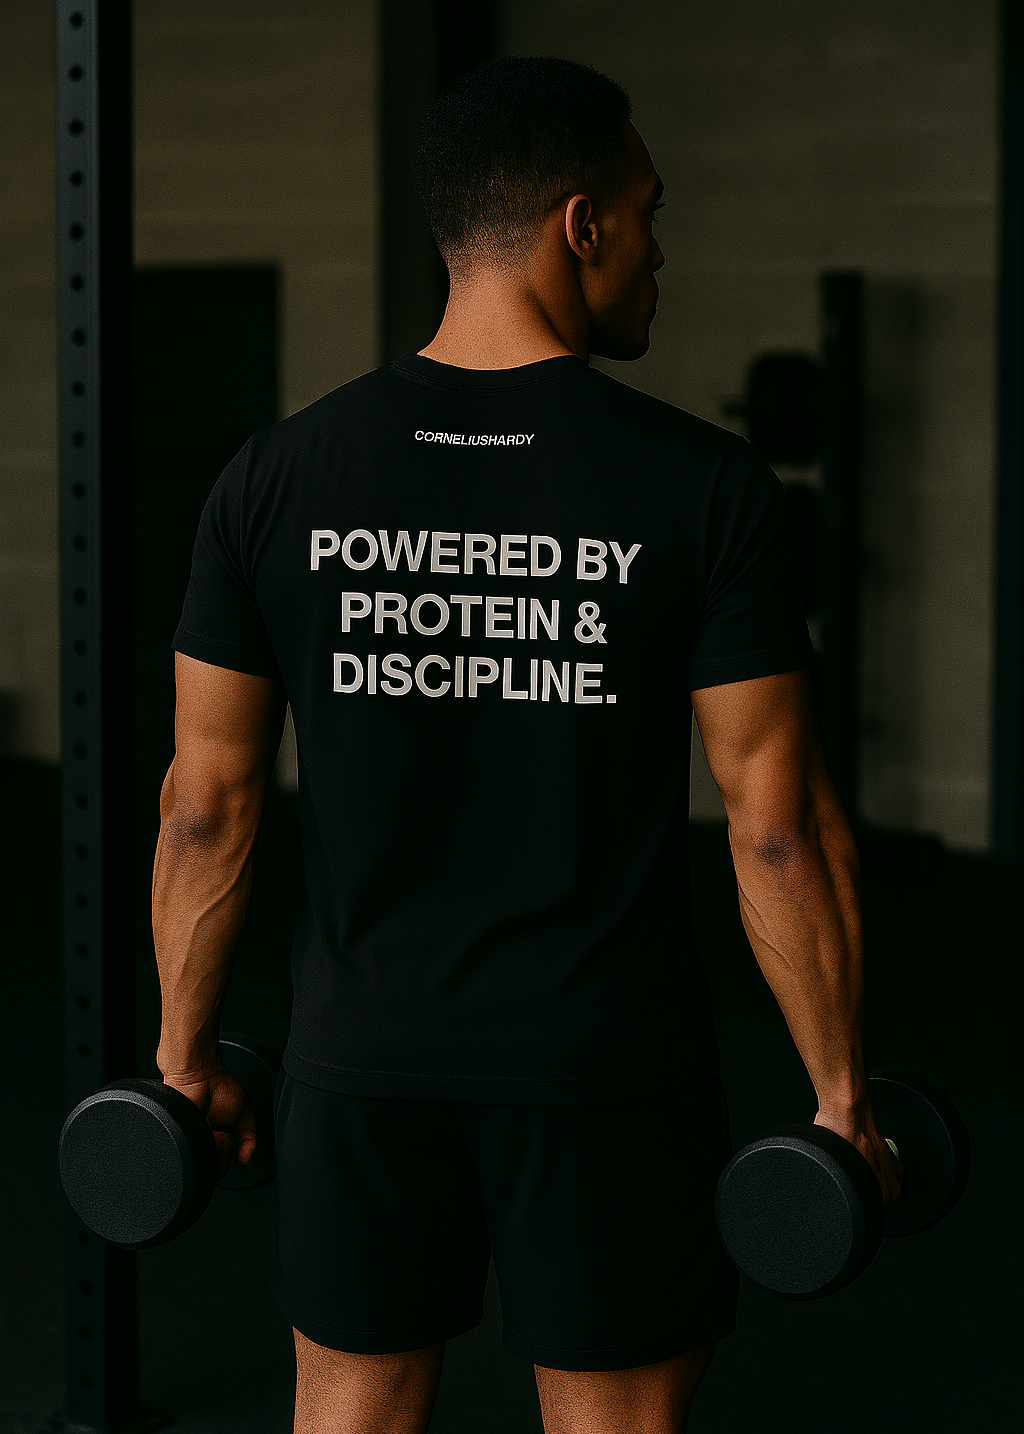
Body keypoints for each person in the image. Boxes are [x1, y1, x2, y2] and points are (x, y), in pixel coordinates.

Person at [153, 55, 901, 1434]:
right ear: (583, 224)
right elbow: (780, 824)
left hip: (360, 1060)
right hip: (606, 1069)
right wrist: (840, 1094)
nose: (661, 251)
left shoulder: (273, 477)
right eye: (649, 212)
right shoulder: (707, 486)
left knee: (350, 1412)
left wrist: (183, 1056)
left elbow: (207, 803)